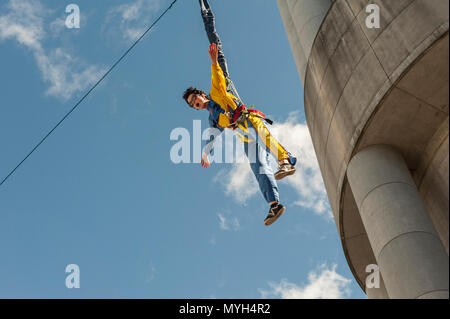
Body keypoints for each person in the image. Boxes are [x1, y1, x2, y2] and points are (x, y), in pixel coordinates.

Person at [182, 0, 297, 226]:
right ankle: (274, 205)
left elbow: (217, 72)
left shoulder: (216, 91)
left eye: (197, 99)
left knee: (265, 137)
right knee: (258, 167)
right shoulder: (213, 118)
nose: (197, 104)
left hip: (248, 119)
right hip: (244, 136)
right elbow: (212, 136)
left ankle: (286, 160)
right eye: (194, 105)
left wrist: (214, 58)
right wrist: (206, 153)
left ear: (203, 95)